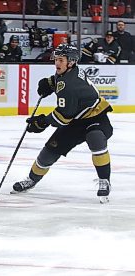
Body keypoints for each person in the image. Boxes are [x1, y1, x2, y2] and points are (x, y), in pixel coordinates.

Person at [13, 44, 114, 204]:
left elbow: (62, 117)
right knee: (48, 153)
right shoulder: (68, 72)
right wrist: (49, 83)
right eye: (56, 59)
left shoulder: (70, 85)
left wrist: (42, 122)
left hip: (95, 118)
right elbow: (58, 83)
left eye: (61, 60)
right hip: (75, 121)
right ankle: (32, 179)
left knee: (96, 138)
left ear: (71, 62)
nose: (57, 63)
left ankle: (104, 180)